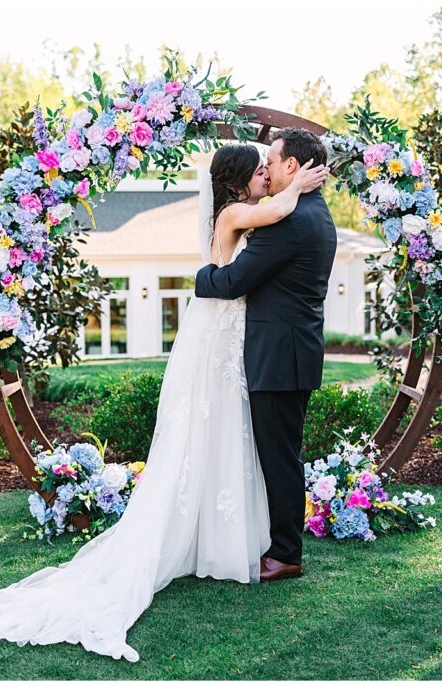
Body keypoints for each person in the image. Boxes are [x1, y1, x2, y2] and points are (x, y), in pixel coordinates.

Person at [0, 144, 328, 661]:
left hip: (247, 342)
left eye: (273, 164)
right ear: (241, 180)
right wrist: (298, 184)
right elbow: (253, 244)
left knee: (242, 440)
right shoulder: (244, 213)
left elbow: (254, 254)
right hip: (226, 333)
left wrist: (292, 185)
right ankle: (242, 543)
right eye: (260, 168)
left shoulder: (271, 216)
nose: (267, 172)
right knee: (224, 433)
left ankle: (250, 542)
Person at [196, 127, 337, 579]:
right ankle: (278, 543)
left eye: (272, 162)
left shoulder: (290, 221)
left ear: (292, 166)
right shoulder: (311, 211)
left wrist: (200, 279)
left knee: (279, 457)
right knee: (281, 453)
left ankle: (286, 554)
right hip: (291, 350)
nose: (268, 169)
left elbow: (235, 281)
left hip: (279, 355)